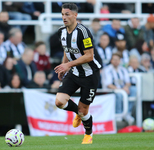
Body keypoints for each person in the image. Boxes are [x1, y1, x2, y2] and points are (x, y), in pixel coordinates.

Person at [54, 3, 101, 144]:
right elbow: (67, 49)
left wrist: (68, 64)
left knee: (83, 110)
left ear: (75, 15)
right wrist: (64, 67)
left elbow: (89, 56)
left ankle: (88, 134)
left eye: (67, 14)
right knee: (59, 102)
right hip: (74, 72)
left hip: (90, 74)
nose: (64, 17)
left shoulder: (83, 32)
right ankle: (78, 113)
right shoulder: (61, 31)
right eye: (62, 14)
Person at [102, 53, 134, 125]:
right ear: (111, 60)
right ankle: (119, 114)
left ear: (120, 61)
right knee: (119, 94)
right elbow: (108, 84)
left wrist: (126, 87)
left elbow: (128, 82)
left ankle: (127, 113)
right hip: (111, 91)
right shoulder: (107, 70)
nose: (116, 61)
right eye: (114, 59)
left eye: (117, 60)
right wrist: (121, 90)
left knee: (134, 90)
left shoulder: (123, 70)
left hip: (122, 89)